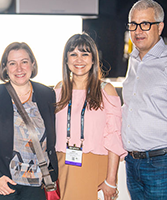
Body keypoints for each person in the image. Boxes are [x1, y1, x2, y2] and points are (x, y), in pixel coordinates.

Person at [0, 42, 58, 200]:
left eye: (24, 62)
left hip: (38, 185)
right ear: (5, 67)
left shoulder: (47, 94)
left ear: (32, 63)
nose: (19, 68)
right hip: (3, 184)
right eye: (13, 63)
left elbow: (52, 138)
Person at [54, 33, 127, 200]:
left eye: (85, 54)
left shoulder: (106, 90)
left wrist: (111, 179)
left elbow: (114, 136)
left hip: (93, 162)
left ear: (93, 59)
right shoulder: (59, 89)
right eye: (73, 54)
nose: (79, 60)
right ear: (66, 60)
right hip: (63, 163)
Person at [122, 0, 167, 199]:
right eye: (133, 24)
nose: (138, 30)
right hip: (132, 163)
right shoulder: (133, 60)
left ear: (160, 27)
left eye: (145, 24)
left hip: (160, 163)